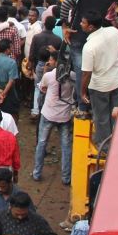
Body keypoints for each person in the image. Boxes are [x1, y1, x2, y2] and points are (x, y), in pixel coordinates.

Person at [79, 12, 118, 149]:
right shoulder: (113, 31)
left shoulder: (89, 47)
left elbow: (86, 74)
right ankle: (117, 141)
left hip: (100, 86)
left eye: (83, 22)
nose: (81, 24)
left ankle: (105, 147)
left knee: (102, 118)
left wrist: (82, 93)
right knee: (116, 114)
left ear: (91, 27)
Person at [33, 51, 73, 184]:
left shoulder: (49, 75)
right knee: (66, 146)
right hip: (65, 115)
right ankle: (66, 177)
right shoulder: (72, 76)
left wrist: (45, 70)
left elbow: (42, 88)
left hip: (49, 113)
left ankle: (37, 173)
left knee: (42, 143)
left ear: (55, 61)